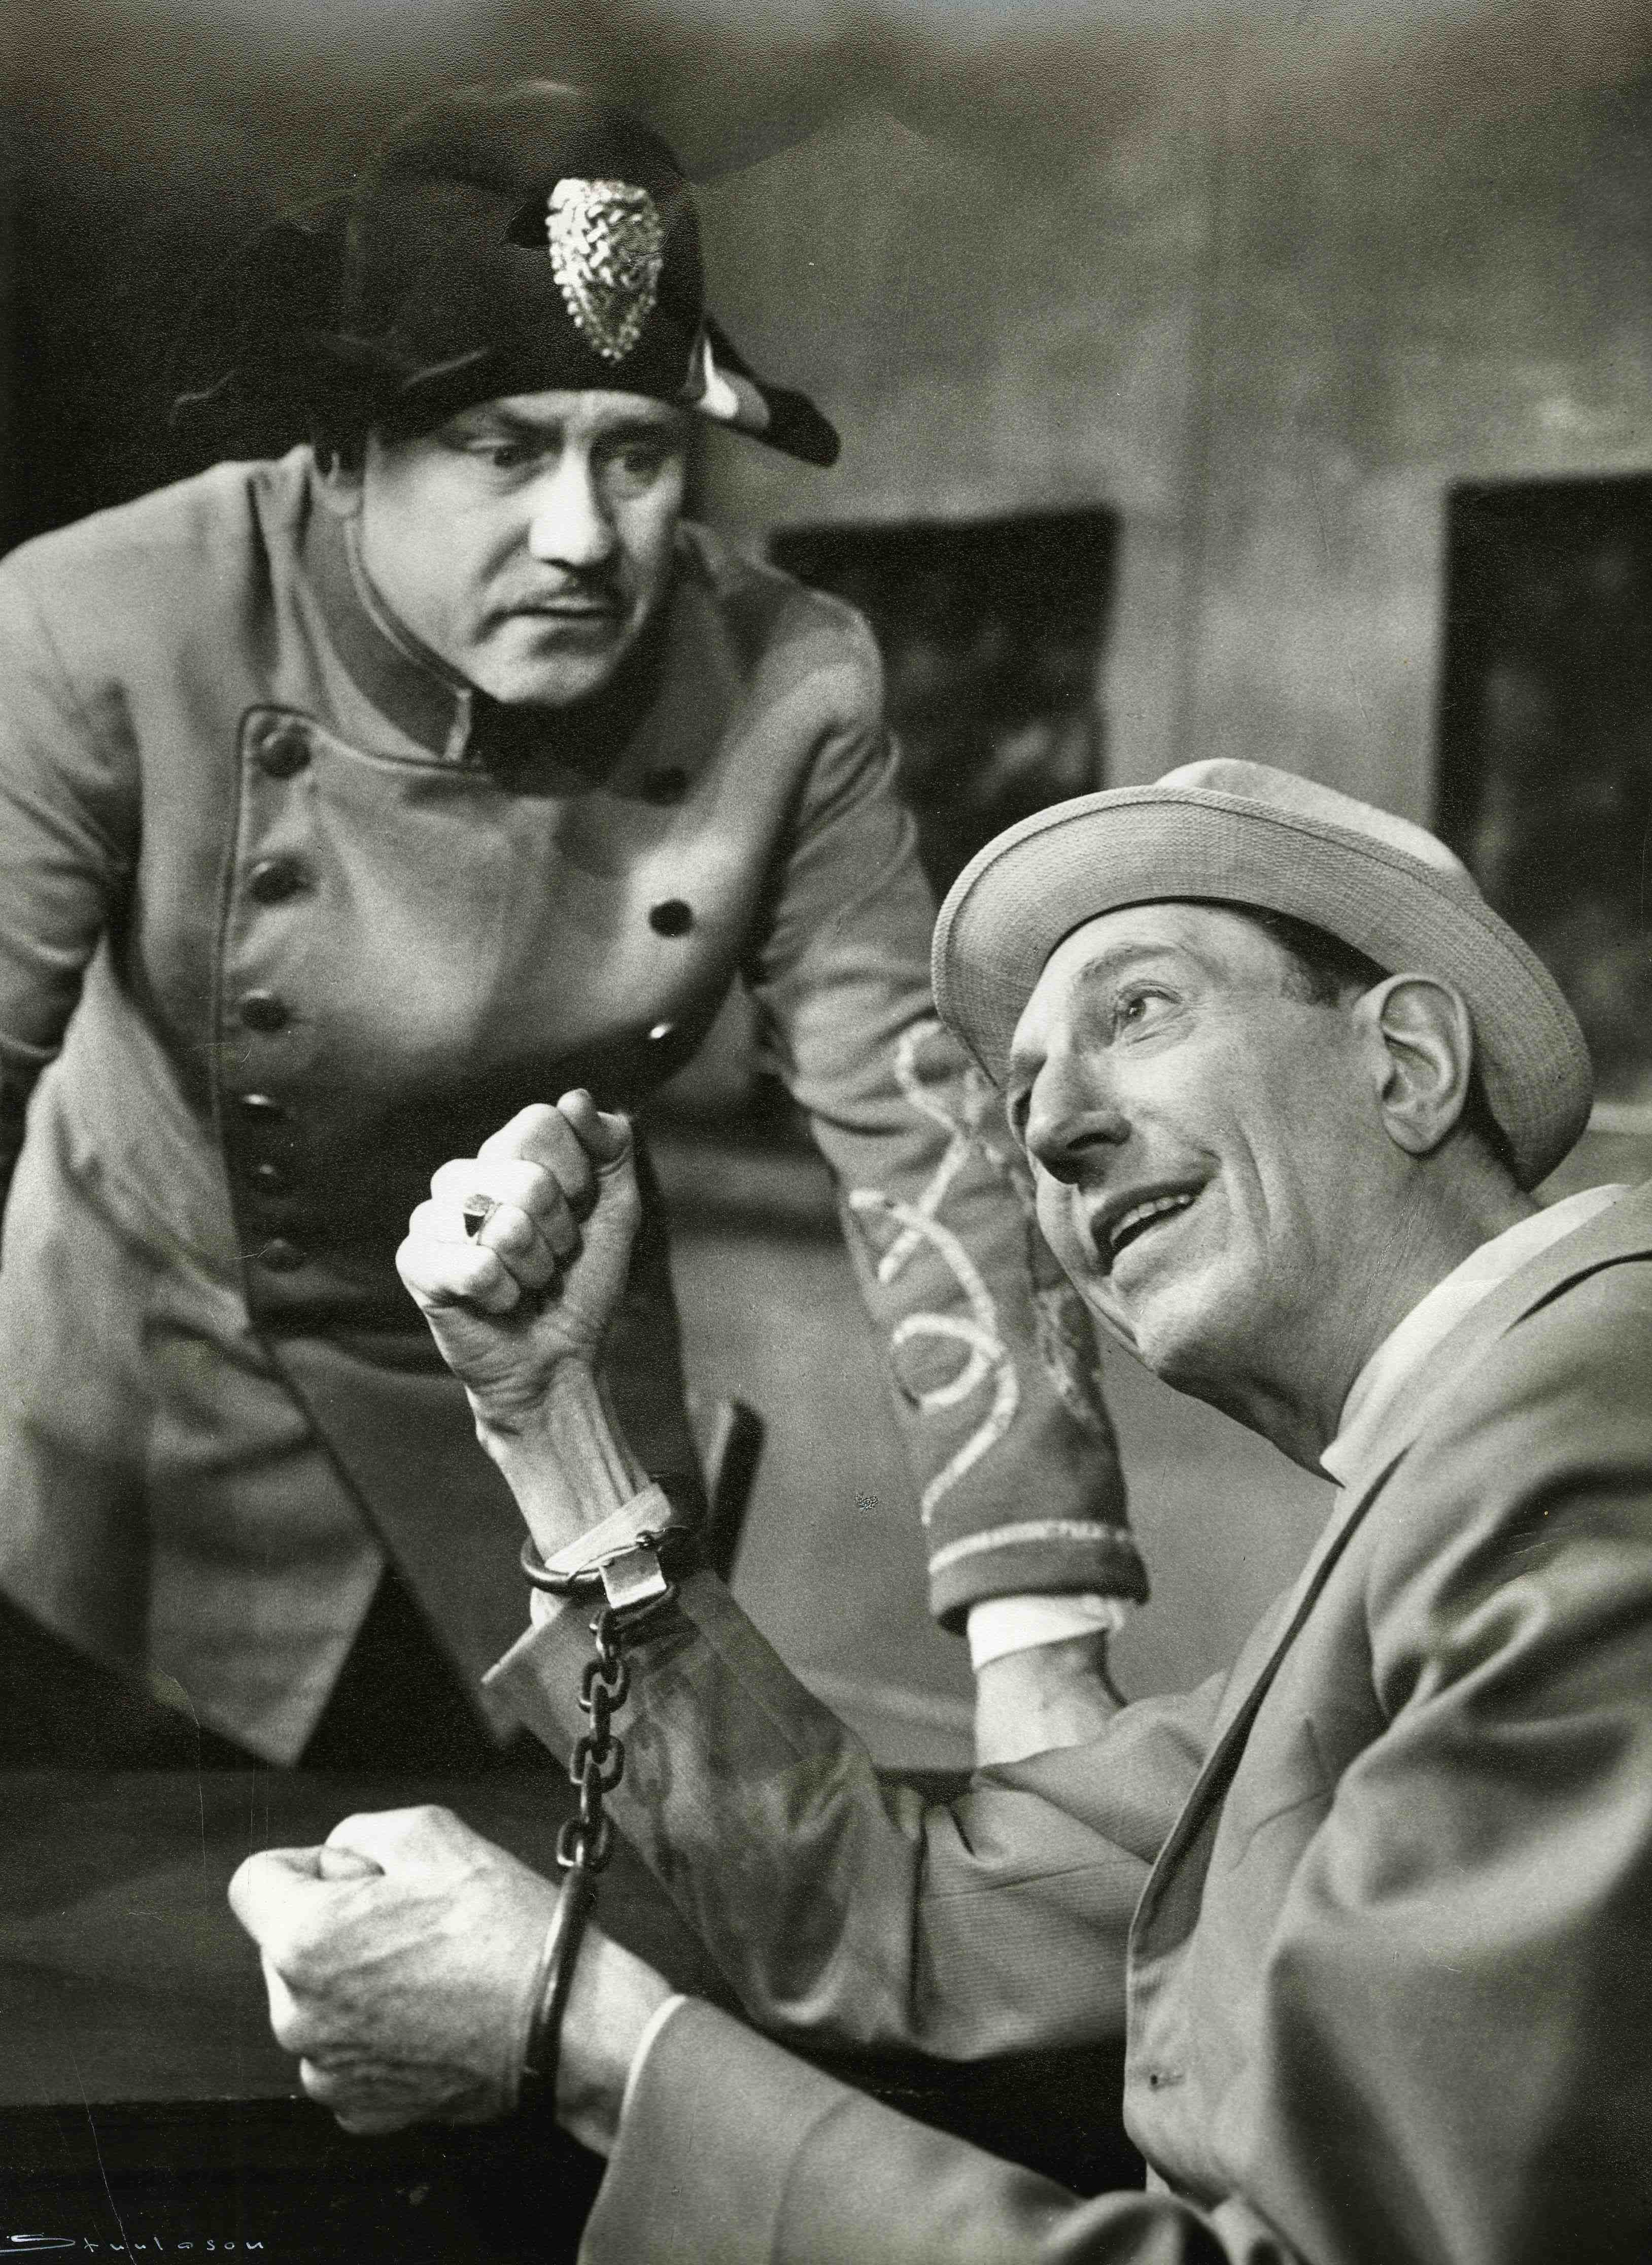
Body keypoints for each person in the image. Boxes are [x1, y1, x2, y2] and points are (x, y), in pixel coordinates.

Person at [229, 757, 1652, 2263]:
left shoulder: (1579, 1461)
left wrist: (581, 2039)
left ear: (1408, 1064)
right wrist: (547, 1413)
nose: (1053, 1135)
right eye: (1022, 1102)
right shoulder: (1475, 1470)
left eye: (1140, 1011)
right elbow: (906, 1918)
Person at [0, 79, 1145, 1769]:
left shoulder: (790, 680)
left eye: (636, 455)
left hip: (562, 1453)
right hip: (144, 1453)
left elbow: (930, 1132)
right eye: (504, 450)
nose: (582, 537)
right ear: (346, 457)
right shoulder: (101, 620)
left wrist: (1040, 1630)